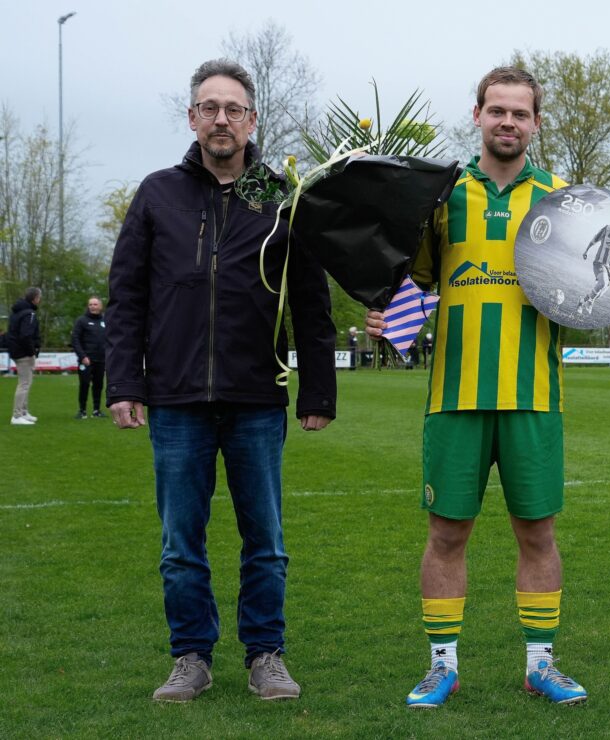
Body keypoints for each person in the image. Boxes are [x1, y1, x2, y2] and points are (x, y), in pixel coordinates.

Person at [367, 67, 610, 709]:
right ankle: (441, 665)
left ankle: (541, 665)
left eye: (520, 113)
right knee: (446, 535)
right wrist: (380, 305)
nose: (507, 122)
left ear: (535, 123)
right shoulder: (441, 196)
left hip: (535, 397)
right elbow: (408, 281)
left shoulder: (566, 200)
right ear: (477, 115)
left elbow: (606, 275)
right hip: (454, 396)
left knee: (538, 534)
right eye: (496, 110)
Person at [105, 59, 337, 703]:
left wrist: (318, 390)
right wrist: (124, 384)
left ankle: (266, 654)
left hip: (257, 398)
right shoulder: (156, 193)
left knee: (265, 540)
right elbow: (126, 297)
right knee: (181, 544)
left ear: (252, 119)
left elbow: (310, 302)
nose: (221, 119)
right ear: (192, 118)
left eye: (233, 108)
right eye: (209, 108)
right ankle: (191, 657)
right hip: (175, 399)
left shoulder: (284, 198)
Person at [8, 287, 42, 425]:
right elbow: (25, 335)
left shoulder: (17, 312)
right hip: (23, 353)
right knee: (24, 384)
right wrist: (32, 352)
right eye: (39, 297)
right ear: (35, 299)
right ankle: (16, 416)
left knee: (26, 382)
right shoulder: (29, 314)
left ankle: (23, 412)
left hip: (17, 351)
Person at [71, 296, 107, 419]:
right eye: (90, 304)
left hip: (101, 360)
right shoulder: (81, 321)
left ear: (100, 306)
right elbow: (75, 340)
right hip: (86, 360)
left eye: (95, 304)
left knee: (98, 385)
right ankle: (82, 411)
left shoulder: (105, 320)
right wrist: (82, 356)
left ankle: (96, 410)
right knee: (84, 384)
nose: (92, 306)